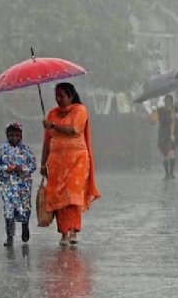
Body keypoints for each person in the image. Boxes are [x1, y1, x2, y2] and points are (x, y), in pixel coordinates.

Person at [40, 82, 100, 246]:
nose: (59, 99)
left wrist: (53, 125)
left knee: (72, 196)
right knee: (59, 197)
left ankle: (73, 230)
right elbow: (47, 142)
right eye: (56, 96)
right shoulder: (51, 114)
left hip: (77, 161)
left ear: (71, 96)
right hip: (57, 163)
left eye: (62, 96)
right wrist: (43, 163)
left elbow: (75, 129)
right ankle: (64, 233)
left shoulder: (80, 110)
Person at [0, 122, 36, 247]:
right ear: (7, 135)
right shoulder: (2, 149)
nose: (14, 138)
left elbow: (33, 165)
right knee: (8, 209)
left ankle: (25, 225)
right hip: (8, 186)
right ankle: (9, 236)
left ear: (21, 135)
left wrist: (23, 169)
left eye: (17, 135)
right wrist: (6, 169)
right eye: (11, 135)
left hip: (23, 187)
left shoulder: (26, 150)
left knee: (25, 208)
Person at [150, 95, 177, 180]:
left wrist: (173, 134)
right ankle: (167, 174)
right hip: (162, 134)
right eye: (166, 101)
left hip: (170, 133)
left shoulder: (173, 110)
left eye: (169, 101)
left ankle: (172, 173)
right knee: (165, 154)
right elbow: (153, 121)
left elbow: (174, 122)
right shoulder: (160, 110)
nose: (167, 103)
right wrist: (154, 110)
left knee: (171, 153)